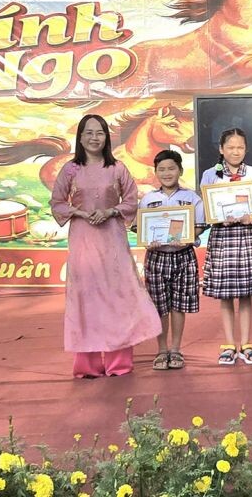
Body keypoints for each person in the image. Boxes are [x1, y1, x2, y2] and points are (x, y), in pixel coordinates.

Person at [50, 114, 161, 378]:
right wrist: (78, 212)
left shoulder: (118, 168)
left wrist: (111, 211)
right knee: (85, 297)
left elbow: (131, 200)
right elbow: (57, 202)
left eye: (99, 133)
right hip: (83, 240)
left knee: (117, 296)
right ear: (80, 137)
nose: (94, 138)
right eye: (88, 133)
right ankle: (87, 365)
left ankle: (118, 362)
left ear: (106, 137)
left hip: (112, 239)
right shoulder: (70, 169)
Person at [200, 128, 252, 366]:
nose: (235, 151)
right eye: (230, 147)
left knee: (246, 292)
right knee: (226, 293)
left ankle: (247, 343)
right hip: (223, 234)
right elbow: (207, 207)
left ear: (246, 149)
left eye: (240, 147)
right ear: (221, 149)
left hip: (247, 233)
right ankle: (229, 344)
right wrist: (218, 217)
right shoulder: (211, 175)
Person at [137, 149, 207, 371]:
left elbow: (199, 226)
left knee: (179, 304)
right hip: (156, 257)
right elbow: (141, 228)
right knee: (159, 306)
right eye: (162, 169)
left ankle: (175, 349)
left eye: (171, 168)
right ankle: (161, 350)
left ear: (180, 170)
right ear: (155, 172)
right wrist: (148, 240)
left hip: (183, 256)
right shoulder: (148, 199)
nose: (167, 173)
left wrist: (185, 238)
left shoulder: (192, 198)